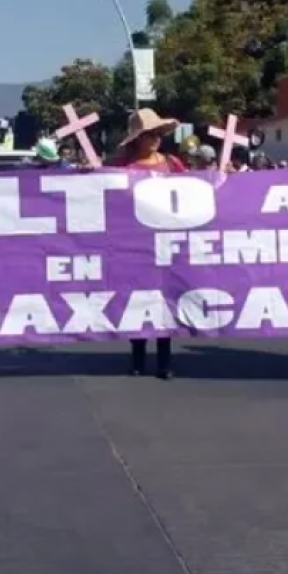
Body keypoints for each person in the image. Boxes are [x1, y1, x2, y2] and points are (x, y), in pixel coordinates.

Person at [111, 109, 185, 380]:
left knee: (165, 300)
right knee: (138, 300)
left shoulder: (172, 163)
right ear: (136, 139)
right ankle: (138, 358)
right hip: (134, 245)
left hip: (166, 241)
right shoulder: (122, 168)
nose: (154, 139)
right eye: (148, 134)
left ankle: (164, 362)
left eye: (157, 133)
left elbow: (191, 190)